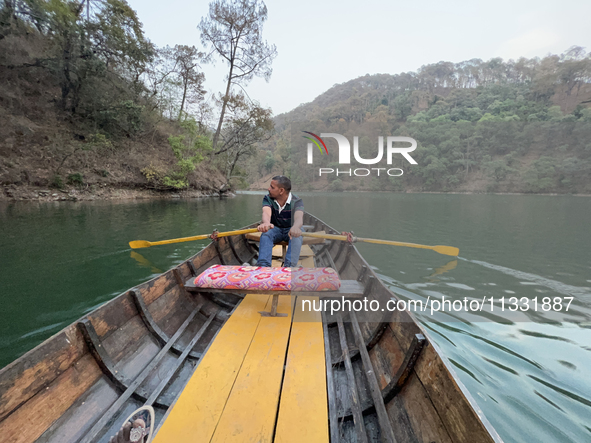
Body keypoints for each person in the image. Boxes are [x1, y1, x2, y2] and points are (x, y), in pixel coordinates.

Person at [256, 176, 304, 267]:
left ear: (281, 191)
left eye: (272, 187)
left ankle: (290, 266)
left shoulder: (297, 201)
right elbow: (266, 212)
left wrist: (296, 227)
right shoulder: (268, 198)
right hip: (275, 229)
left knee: (297, 234)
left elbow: (299, 217)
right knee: (266, 234)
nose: (268, 189)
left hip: (291, 230)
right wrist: (266, 223)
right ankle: (263, 266)